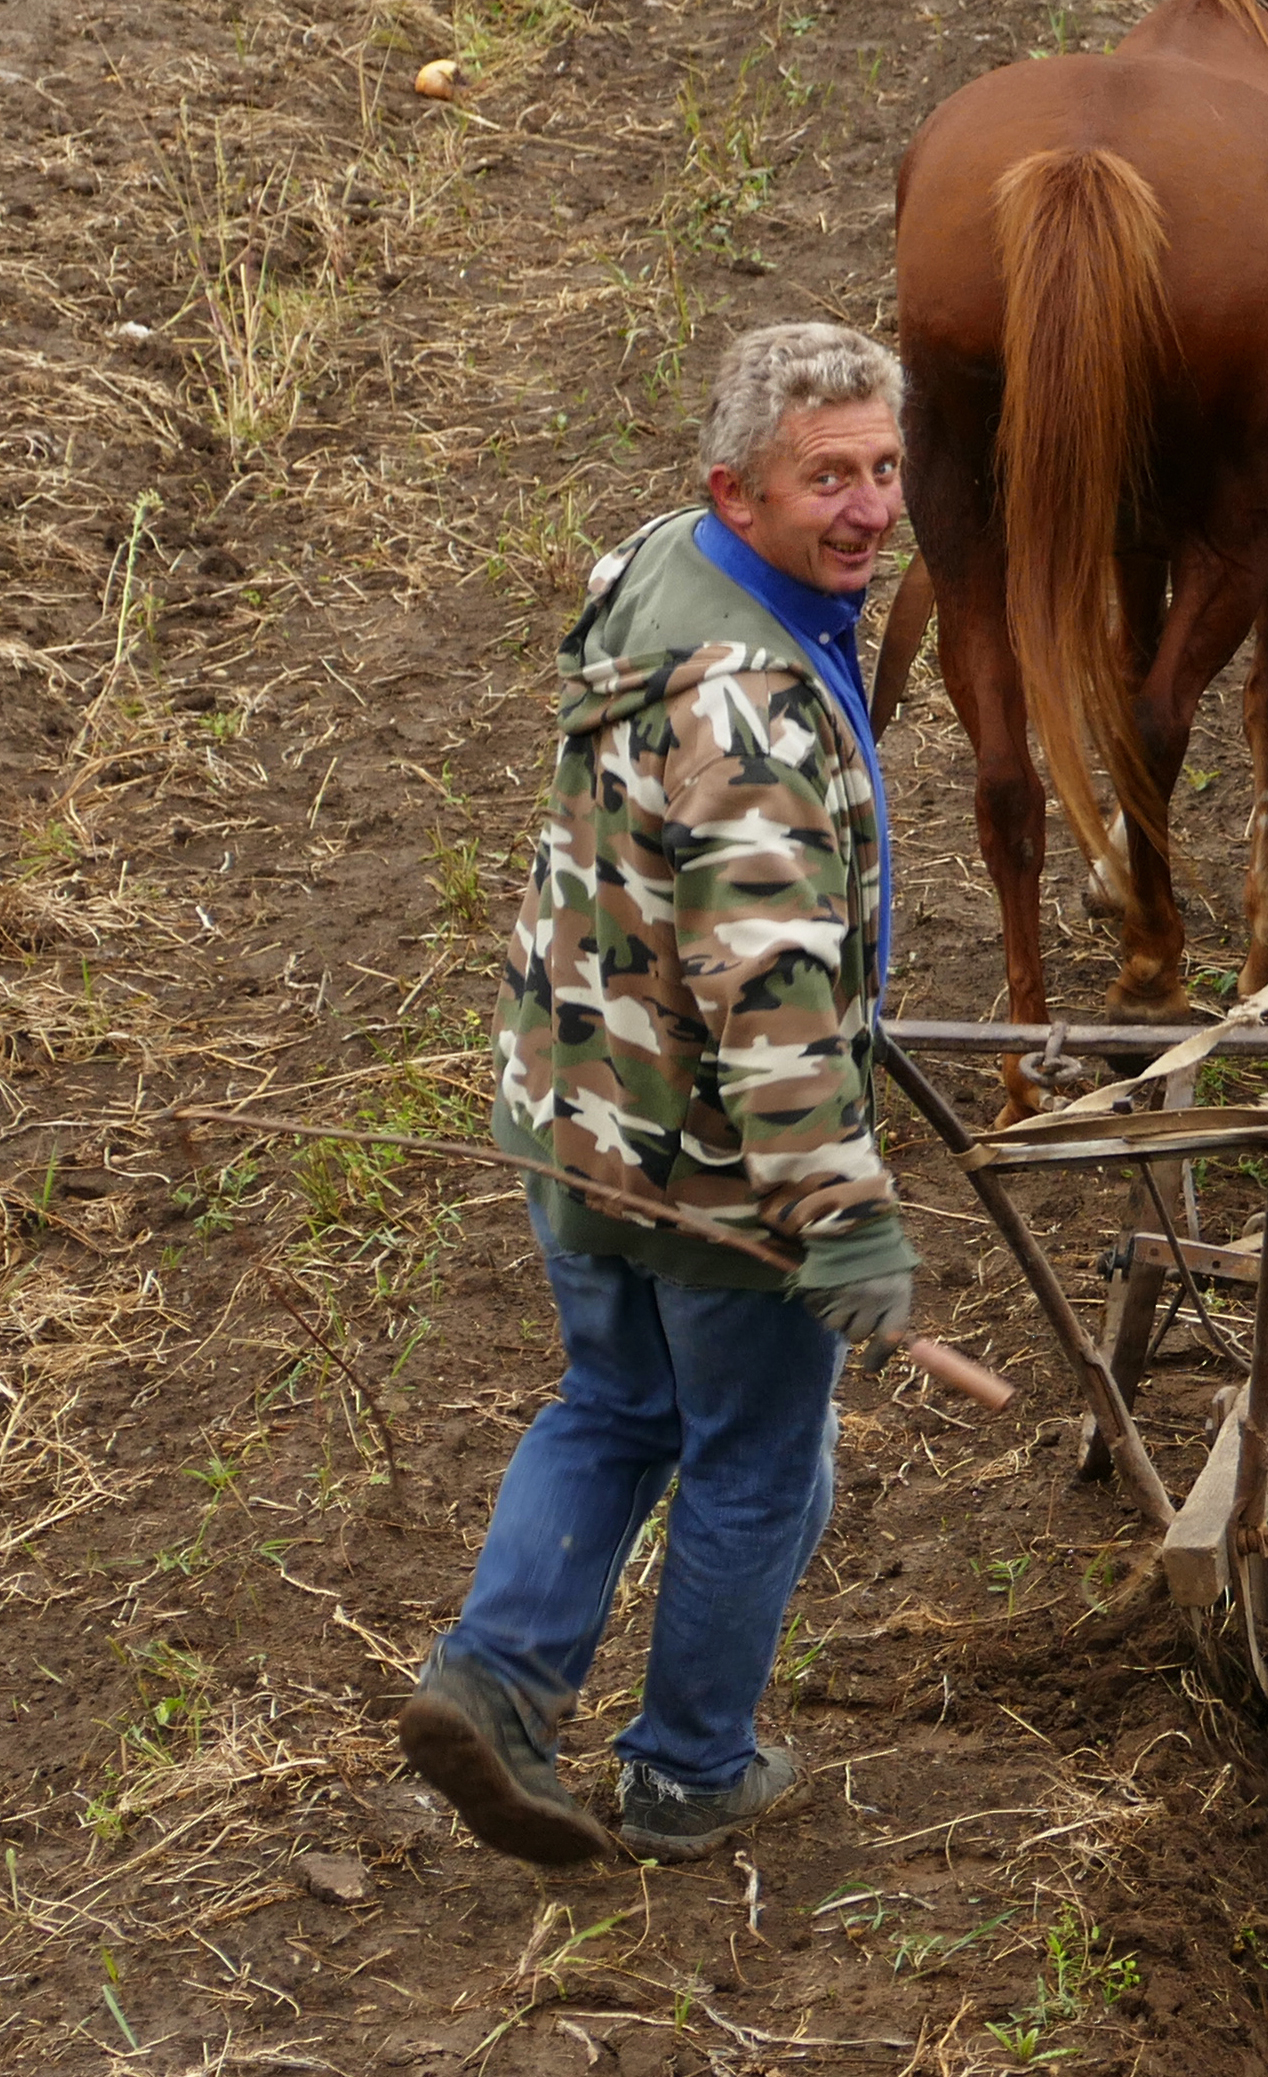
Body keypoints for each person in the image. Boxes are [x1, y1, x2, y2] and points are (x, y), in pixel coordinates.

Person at [397, 321, 919, 1866]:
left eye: (886, 468)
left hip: (574, 1104)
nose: (870, 507)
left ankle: (494, 1679)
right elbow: (771, 998)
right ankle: (692, 1767)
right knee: (761, 1455)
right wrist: (839, 1217)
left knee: (614, 1401)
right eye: (827, 476)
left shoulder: (657, 570)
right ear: (736, 489)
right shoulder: (749, 704)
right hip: (705, 1158)